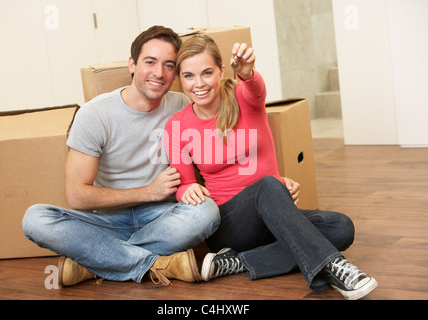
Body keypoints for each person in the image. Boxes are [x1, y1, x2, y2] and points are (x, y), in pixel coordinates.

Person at [164, 34, 378, 300]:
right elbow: (183, 184)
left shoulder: (243, 98)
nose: (199, 84)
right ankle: (334, 266)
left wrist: (247, 72)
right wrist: (187, 190)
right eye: (189, 76)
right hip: (230, 225)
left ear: (221, 71)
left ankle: (239, 262)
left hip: (275, 216)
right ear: (179, 80)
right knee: (267, 186)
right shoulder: (176, 126)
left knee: (341, 226)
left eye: (207, 73)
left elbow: (255, 88)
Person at [22, 26, 221, 287]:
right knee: (35, 219)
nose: (159, 73)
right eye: (150, 62)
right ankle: (157, 264)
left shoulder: (183, 105)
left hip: (164, 217)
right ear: (132, 64)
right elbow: (76, 196)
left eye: (169, 65)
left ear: (176, 73)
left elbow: (228, 136)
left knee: (207, 212)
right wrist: (148, 192)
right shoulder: (94, 115)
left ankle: (96, 261)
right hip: (107, 219)